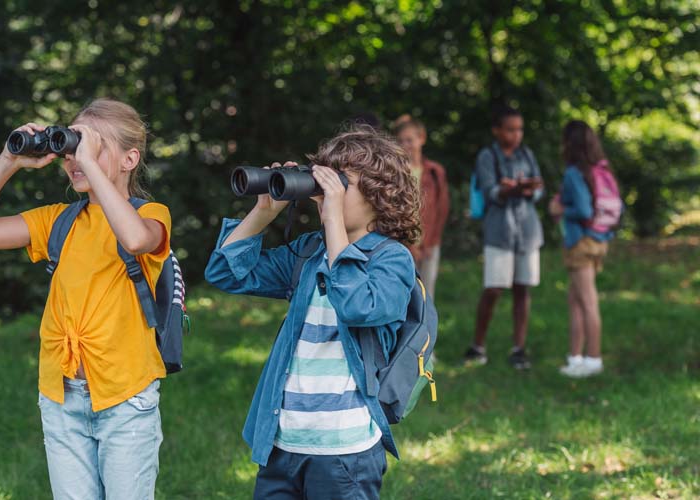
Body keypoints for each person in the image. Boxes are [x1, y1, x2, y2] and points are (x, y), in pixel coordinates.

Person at [0, 98, 170, 499]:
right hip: (62, 395)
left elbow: (135, 239)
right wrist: (8, 161)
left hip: (125, 396)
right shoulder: (58, 220)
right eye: (70, 150)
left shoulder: (152, 214)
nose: (74, 161)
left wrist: (88, 163)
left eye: (92, 148)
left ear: (129, 159)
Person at [205, 125, 420, 499]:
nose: (326, 194)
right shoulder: (310, 252)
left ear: (378, 194)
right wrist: (263, 212)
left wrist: (334, 222)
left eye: (340, 184)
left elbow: (355, 305)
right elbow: (225, 273)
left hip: (345, 451)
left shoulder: (392, 259)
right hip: (283, 442)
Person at [463, 105, 544, 370]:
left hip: (527, 231)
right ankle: (478, 344)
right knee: (494, 288)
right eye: (510, 129)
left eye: (519, 129)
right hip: (500, 232)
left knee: (523, 288)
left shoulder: (526, 154)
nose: (516, 134)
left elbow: (539, 189)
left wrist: (529, 189)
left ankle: (519, 347)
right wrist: (509, 189)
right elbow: (489, 192)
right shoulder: (488, 156)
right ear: (497, 130)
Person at [549, 120, 615, 378]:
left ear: (569, 143)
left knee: (588, 302)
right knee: (575, 300)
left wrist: (560, 209)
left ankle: (593, 360)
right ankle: (575, 358)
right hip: (598, 240)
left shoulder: (575, 173)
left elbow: (584, 210)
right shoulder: (598, 169)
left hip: (581, 243)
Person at [394, 115, 450, 298]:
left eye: (409, 140)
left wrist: (430, 243)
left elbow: (442, 209)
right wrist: (410, 245)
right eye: (401, 141)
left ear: (422, 138)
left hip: (429, 246)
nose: (405, 145)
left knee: (427, 296)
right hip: (402, 244)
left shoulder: (435, 172)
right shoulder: (395, 172)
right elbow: (393, 210)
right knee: (404, 294)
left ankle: (426, 328)